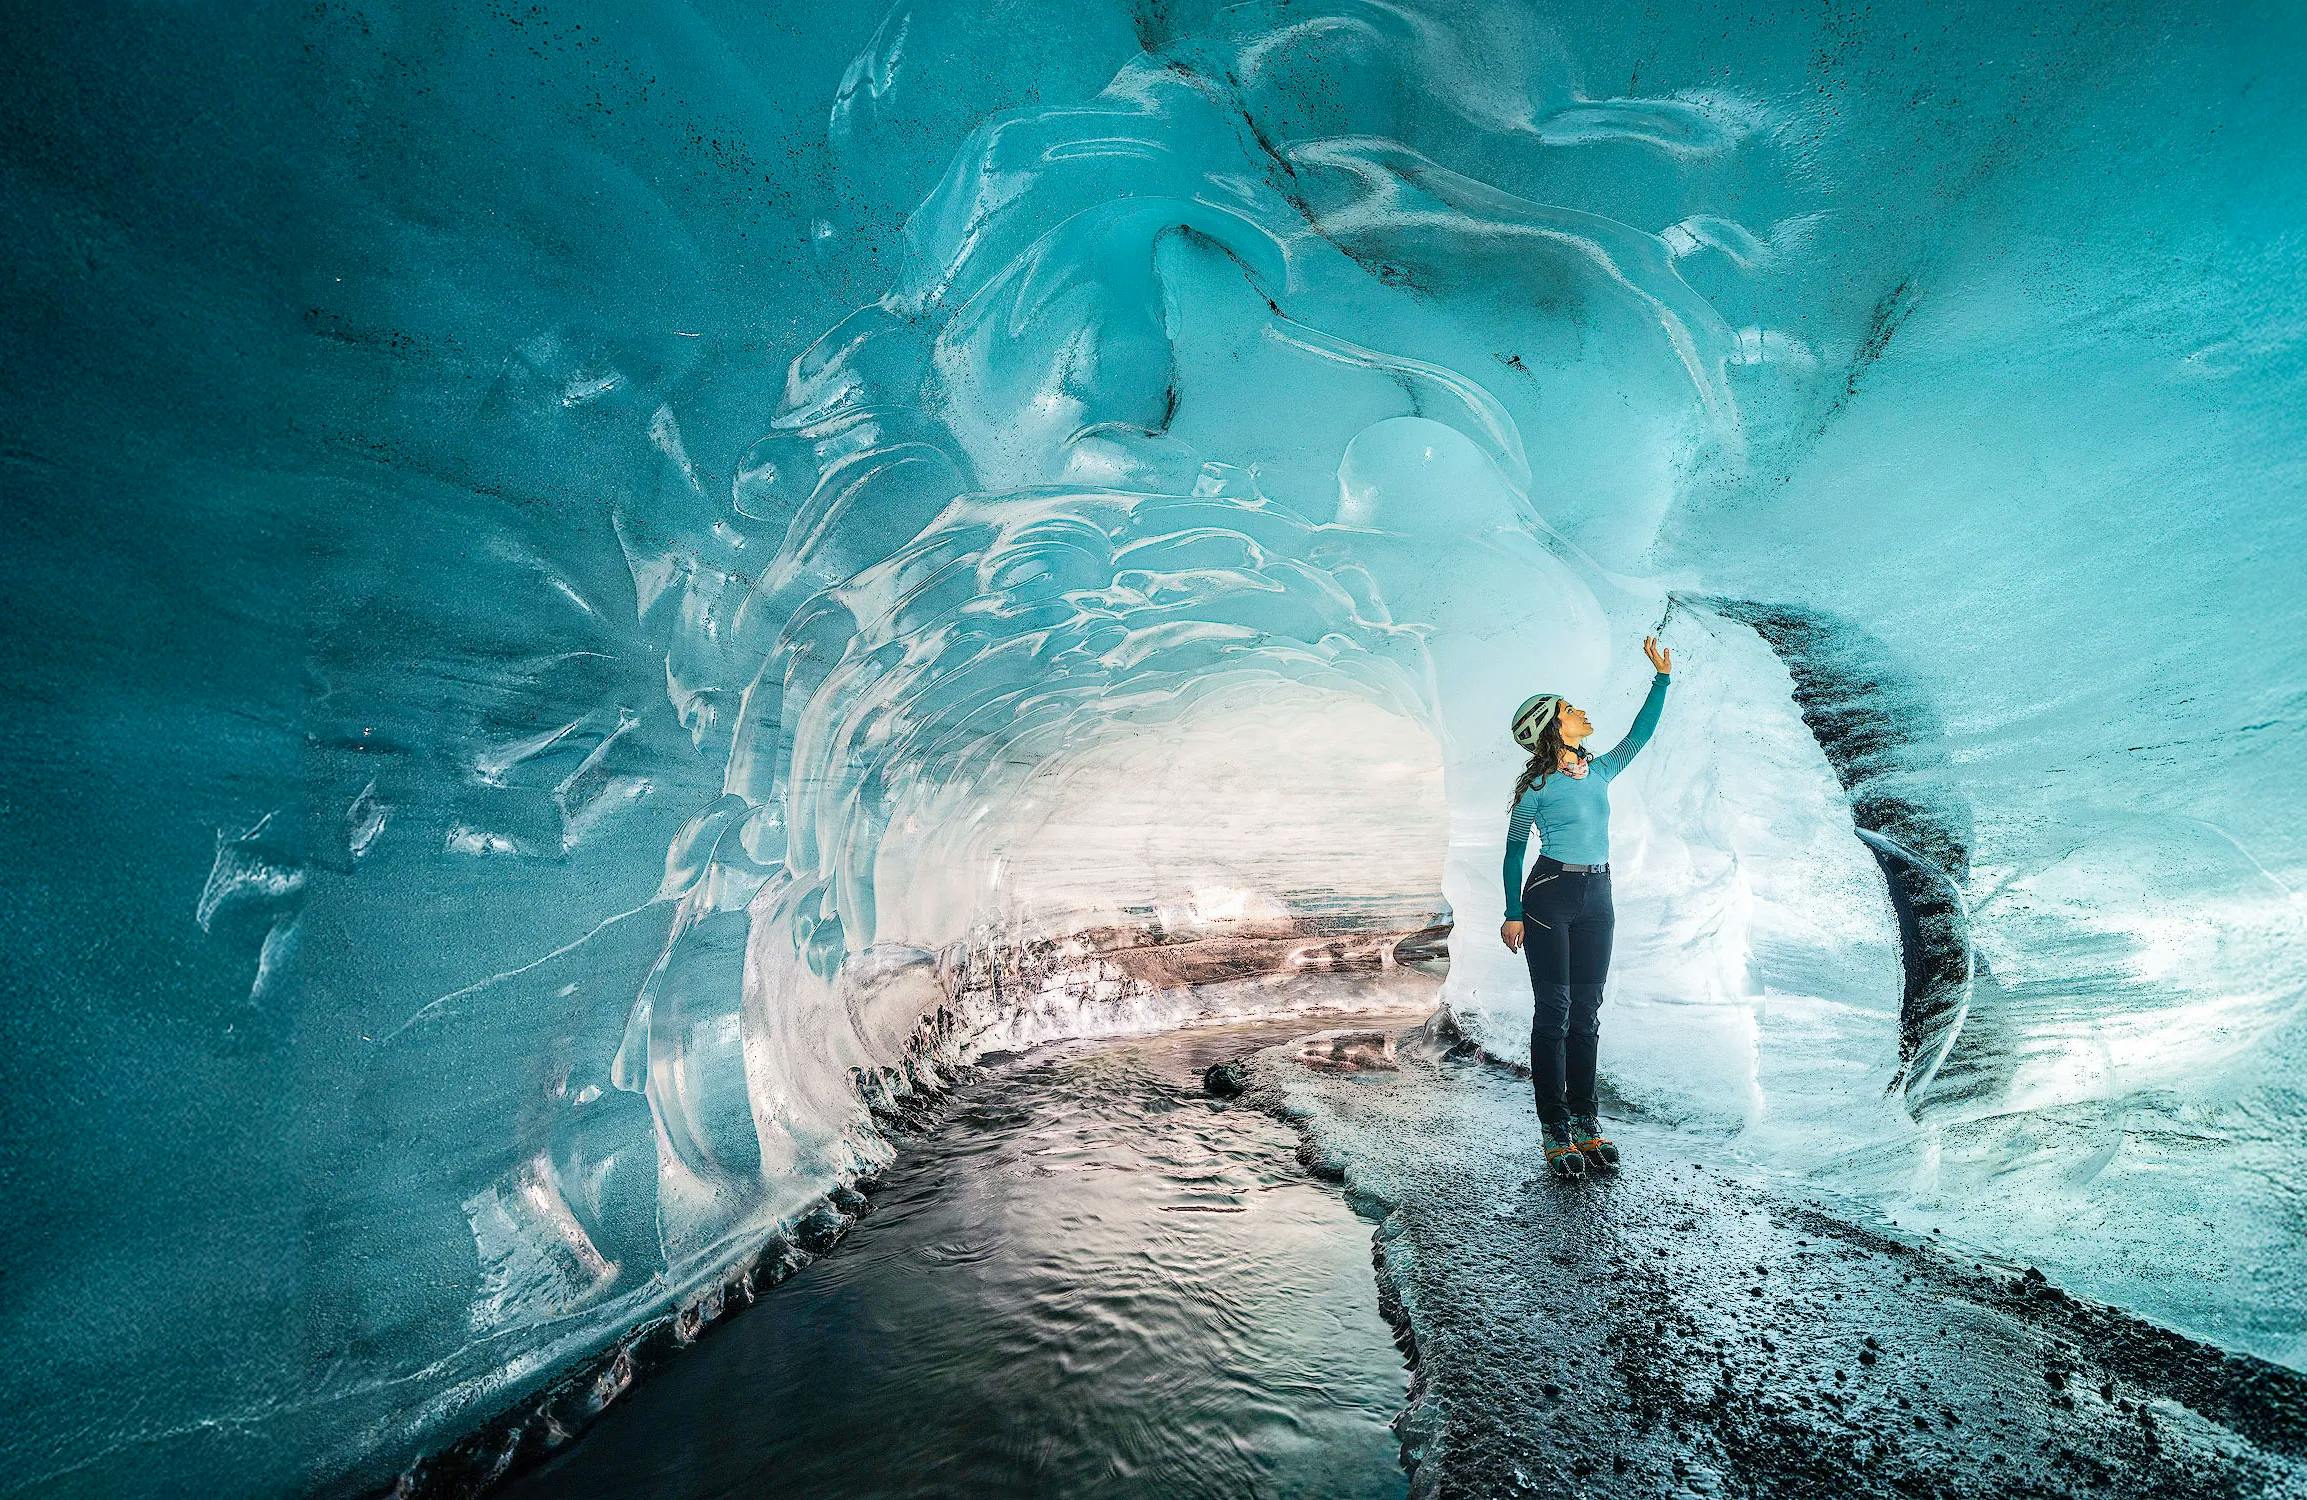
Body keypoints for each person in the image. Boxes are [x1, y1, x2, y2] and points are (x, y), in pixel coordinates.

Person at [1499, 635, 1674, 1179]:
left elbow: (1640, 736)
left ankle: (1584, 1121)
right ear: (1553, 727)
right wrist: (1511, 911)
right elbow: (1512, 850)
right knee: (1555, 1013)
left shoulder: (1598, 771)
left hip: (1599, 896)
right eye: (1571, 710)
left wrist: (1661, 679)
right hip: (1549, 895)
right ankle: (1553, 1126)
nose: (1582, 712)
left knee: (1587, 1015)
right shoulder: (1534, 787)